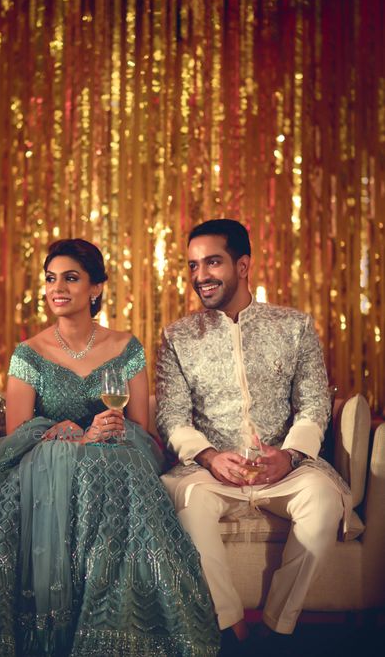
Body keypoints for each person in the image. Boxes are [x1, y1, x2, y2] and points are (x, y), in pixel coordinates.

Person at [0, 238, 220, 657]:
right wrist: (69, 432)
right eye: (51, 279)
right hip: (44, 460)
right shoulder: (28, 354)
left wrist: (111, 426)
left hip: (117, 451)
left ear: (96, 288)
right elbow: (19, 432)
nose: (58, 288)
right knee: (15, 496)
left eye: (71, 278)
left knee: (112, 466)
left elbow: (142, 428)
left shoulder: (126, 347)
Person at [156, 219, 351, 650]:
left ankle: (277, 628)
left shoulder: (294, 326)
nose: (200, 276)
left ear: (243, 265)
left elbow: (315, 402)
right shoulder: (178, 337)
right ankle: (229, 628)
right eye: (192, 266)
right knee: (192, 504)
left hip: (284, 468)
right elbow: (170, 415)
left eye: (212, 262)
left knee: (322, 501)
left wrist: (290, 455)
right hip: (211, 470)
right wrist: (208, 456)